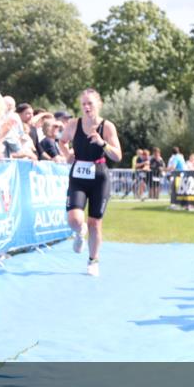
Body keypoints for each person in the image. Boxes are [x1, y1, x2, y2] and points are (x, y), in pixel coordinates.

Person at [63, 89, 122, 277]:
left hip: (99, 177)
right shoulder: (73, 124)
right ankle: (80, 232)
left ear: (99, 104)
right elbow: (62, 141)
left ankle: (93, 260)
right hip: (78, 177)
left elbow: (118, 156)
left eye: (90, 103)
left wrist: (102, 143)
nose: (87, 107)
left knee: (95, 223)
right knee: (74, 220)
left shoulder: (107, 126)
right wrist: (67, 155)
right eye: (84, 104)